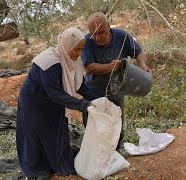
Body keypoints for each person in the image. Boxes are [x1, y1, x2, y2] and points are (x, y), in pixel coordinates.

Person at [16, 27, 99, 180]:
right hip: (34, 101)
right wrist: (84, 105)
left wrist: (98, 100)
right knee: (36, 134)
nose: (79, 54)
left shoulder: (69, 60)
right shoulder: (49, 62)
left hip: (53, 101)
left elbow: (79, 85)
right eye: (76, 49)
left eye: (82, 50)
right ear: (67, 45)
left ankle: (57, 163)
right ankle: (35, 169)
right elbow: (54, 92)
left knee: (56, 132)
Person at [81, 12, 152, 149]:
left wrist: (142, 64)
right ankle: (97, 153)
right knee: (93, 124)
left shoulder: (121, 36)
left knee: (116, 124)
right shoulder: (87, 41)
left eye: (101, 32)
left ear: (109, 26)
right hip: (93, 92)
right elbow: (89, 66)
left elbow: (138, 52)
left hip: (117, 90)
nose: (97, 37)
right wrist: (110, 67)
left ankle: (115, 152)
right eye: (93, 33)